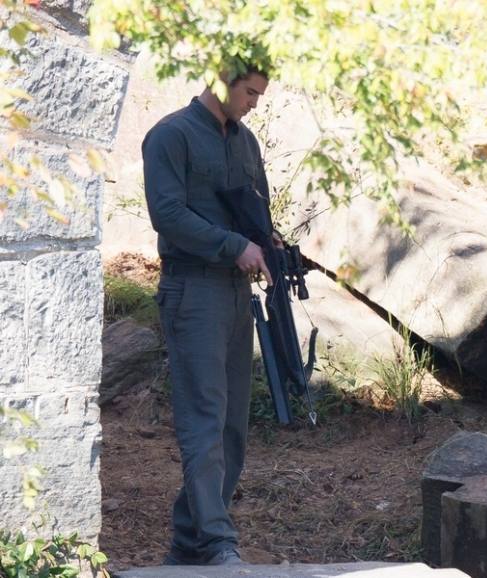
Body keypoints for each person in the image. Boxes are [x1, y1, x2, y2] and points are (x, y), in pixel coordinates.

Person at [142, 66, 271, 566]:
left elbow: (254, 213)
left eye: (261, 94)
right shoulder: (171, 135)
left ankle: (188, 546)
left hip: (237, 293)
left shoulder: (246, 142)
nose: (255, 102)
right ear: (221, 78)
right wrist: (232, 244)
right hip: (192, 290)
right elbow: (167, 214)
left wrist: (268, 243)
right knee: (204, 421)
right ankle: (218, 543)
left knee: (233, 426)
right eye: (250, 92)